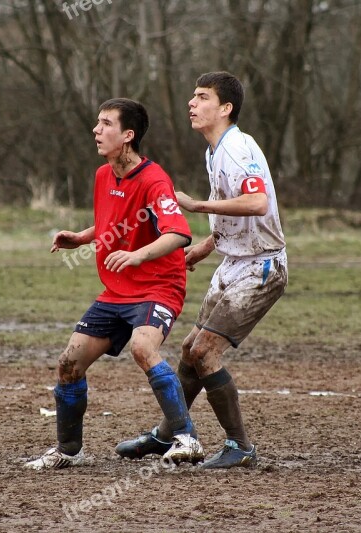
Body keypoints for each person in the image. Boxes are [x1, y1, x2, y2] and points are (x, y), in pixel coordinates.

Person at [116, 72, 288, 469]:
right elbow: (236, 209)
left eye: (202, 97)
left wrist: (194, 206)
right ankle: (167, 434)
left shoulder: (237, 148)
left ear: (225, 108)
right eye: (192, 96)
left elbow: (257, 202)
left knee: (206, 350)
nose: (192, 103)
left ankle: (239, 446)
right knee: (191, 350)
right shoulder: (214, 151)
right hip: (234, 262)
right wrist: (208, 246)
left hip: (261, 267)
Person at [25, 98, 204, 470]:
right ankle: (67, 450)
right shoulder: (103, 175)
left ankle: (187, 439)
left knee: (142, 347)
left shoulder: (155, 180)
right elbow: (112, 222)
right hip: (116, 292)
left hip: (158, 286)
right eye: (97, 122)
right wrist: (82, 237)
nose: (96, 129)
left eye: (105, 123)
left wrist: (139, 255)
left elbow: (179, 234)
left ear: (128, 135)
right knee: (69, 364)